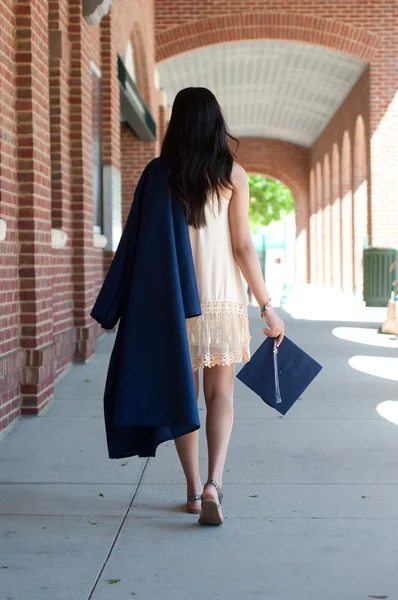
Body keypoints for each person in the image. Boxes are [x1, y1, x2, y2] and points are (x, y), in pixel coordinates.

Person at [160, 87, 285, 525]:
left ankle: (193, 491)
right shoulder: (232, 174)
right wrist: (267, 306)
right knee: (220, 395)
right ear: (216, 123)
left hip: (176, 303)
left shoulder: (163, 175)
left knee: (183, 396)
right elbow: (243, 246)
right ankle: (215, 482)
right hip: (222, 304)